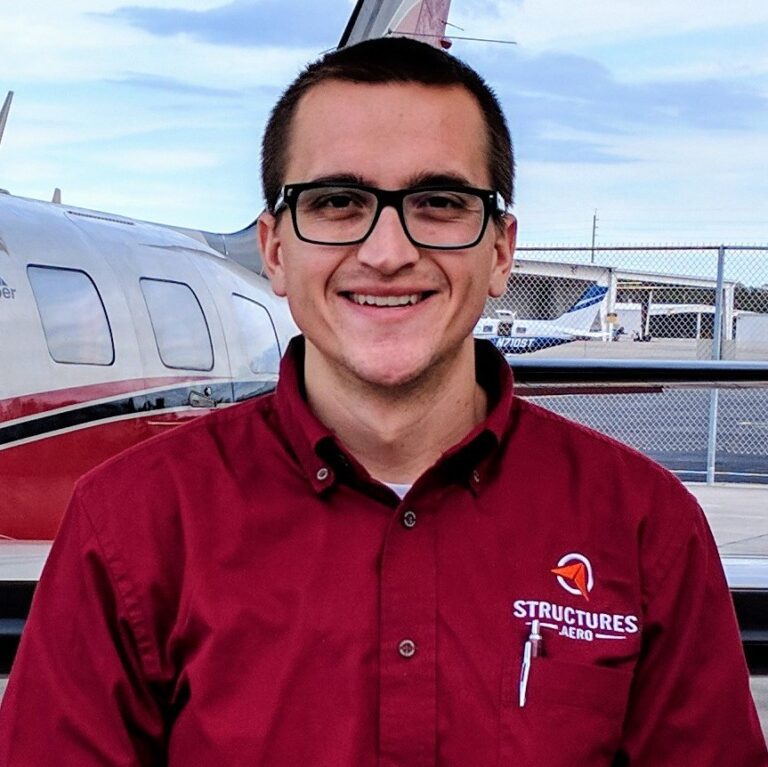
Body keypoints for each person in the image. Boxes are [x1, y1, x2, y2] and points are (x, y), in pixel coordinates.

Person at [1, 36, 765, 766]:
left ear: (501, 251)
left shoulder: (647, 529)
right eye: (338, 201)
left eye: (438, 202)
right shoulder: (127, 526)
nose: (388, 251)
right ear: (275, 250)